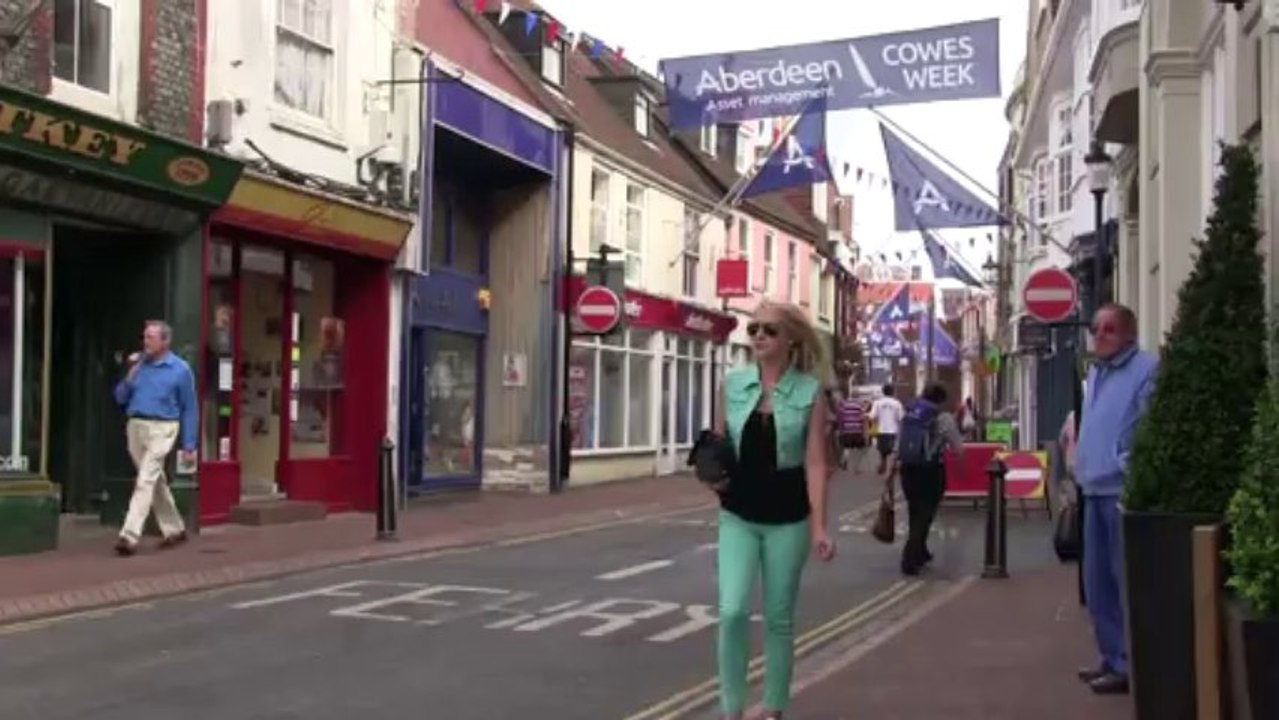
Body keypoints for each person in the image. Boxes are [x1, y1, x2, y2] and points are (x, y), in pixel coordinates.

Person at [708, 300, 835, 720]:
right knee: (732, 612)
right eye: (754, 329)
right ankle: (731, 710)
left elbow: (816, 463)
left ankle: (774, 708)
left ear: (790, 339)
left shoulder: (809, 391)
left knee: (779, 618)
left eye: (769, 330)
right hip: (738, 515)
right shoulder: (732, 385)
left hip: (789, 519)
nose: (759, 336)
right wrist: (712, 472)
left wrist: (819, 527)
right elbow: (719, 448)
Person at [1074, 304, 1157, 696]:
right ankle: (1111, 657)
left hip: (1119, 491)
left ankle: (1127, 665)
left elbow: (1148, 426)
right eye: (1096, 328)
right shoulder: (1095, 371)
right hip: (1092, 490)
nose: (1100, 335)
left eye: (1110, 329)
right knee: (1097, 584)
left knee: (1123, 581)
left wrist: (1124, 463)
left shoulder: (1146, 369)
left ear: (1128, 334)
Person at [111, 320, 198, 556]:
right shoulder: (138, 365)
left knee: (145, 480)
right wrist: (129, 378)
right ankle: (175, 529)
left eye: (151, 337)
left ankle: (129, 536)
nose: (145, 342)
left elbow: (190, 407)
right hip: (136, 426)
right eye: (145, 337)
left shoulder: (180, 370)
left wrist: (189, 444)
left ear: (165, 341)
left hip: (164, 427)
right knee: (154, 480)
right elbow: (119, 398)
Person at [893, 383, 964, 576]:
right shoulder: (944, 418)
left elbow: (899, 443)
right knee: (925, 514)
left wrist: (891, 466)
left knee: (914, 512)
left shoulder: (910, 414)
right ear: (941, 399)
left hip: (908, 470)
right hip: (931, 471)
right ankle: (909, 558)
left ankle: (921, 552)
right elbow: (959, 449)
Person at [870, 384, 904, 475]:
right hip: (893, 431)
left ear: (883, 392)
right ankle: (891, 467)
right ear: (893, 392)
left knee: (883, 450)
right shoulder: (897, 403)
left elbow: (872, 416)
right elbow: (901, 418)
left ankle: (883, 464)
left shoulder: (877, 403)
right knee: (892, 450)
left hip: (881, 430)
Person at [837, 390, 869, 473]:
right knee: (859, 449)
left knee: (847, 447)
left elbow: (840, 417)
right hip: (857, 430)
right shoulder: (860, 405)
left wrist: (841, 428)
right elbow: (863, 418)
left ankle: (845, 460)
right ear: (858, 396)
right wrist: (864, 431)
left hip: (847, 429)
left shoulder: (843, 404)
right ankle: (856, 468)